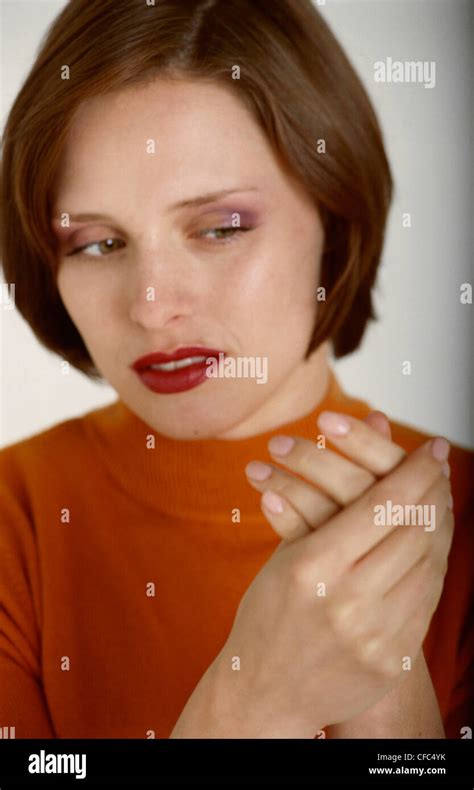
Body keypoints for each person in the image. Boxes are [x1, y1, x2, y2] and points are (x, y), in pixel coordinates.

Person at [0, 0, 472, 739]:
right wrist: (254, 705)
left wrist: (390, 709)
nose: (153, 307)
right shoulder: (15, 520)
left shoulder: (465, 528)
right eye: (98, 243)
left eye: (219, 229)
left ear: (335, 220)